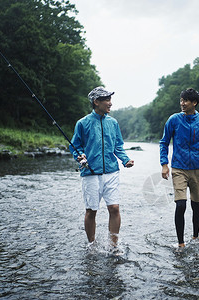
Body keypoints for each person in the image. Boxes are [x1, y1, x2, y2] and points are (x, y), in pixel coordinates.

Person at [70, 86, 134, 253]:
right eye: (107, 100)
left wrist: (125, 160)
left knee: (114, 208)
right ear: (96, 102)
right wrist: (80, 155)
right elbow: (75, 146)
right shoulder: (82, 123)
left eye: (110, 100)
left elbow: (118, 146)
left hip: (112, 171)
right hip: (90, 173)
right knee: (91, 211)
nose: (110, 103)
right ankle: (92, 245)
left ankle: (113, 245)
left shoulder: (113, 123)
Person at [160, 88, 199, 248]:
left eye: (185, 101)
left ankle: (195, 237)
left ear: (194, 103)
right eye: (181, 100)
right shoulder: (173, 120)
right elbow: (164, 142)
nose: (182, 103)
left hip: (198, 168)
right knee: (180, 205)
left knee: (196, 205)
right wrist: (164, 164)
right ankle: (181, 244)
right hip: (178, 168)